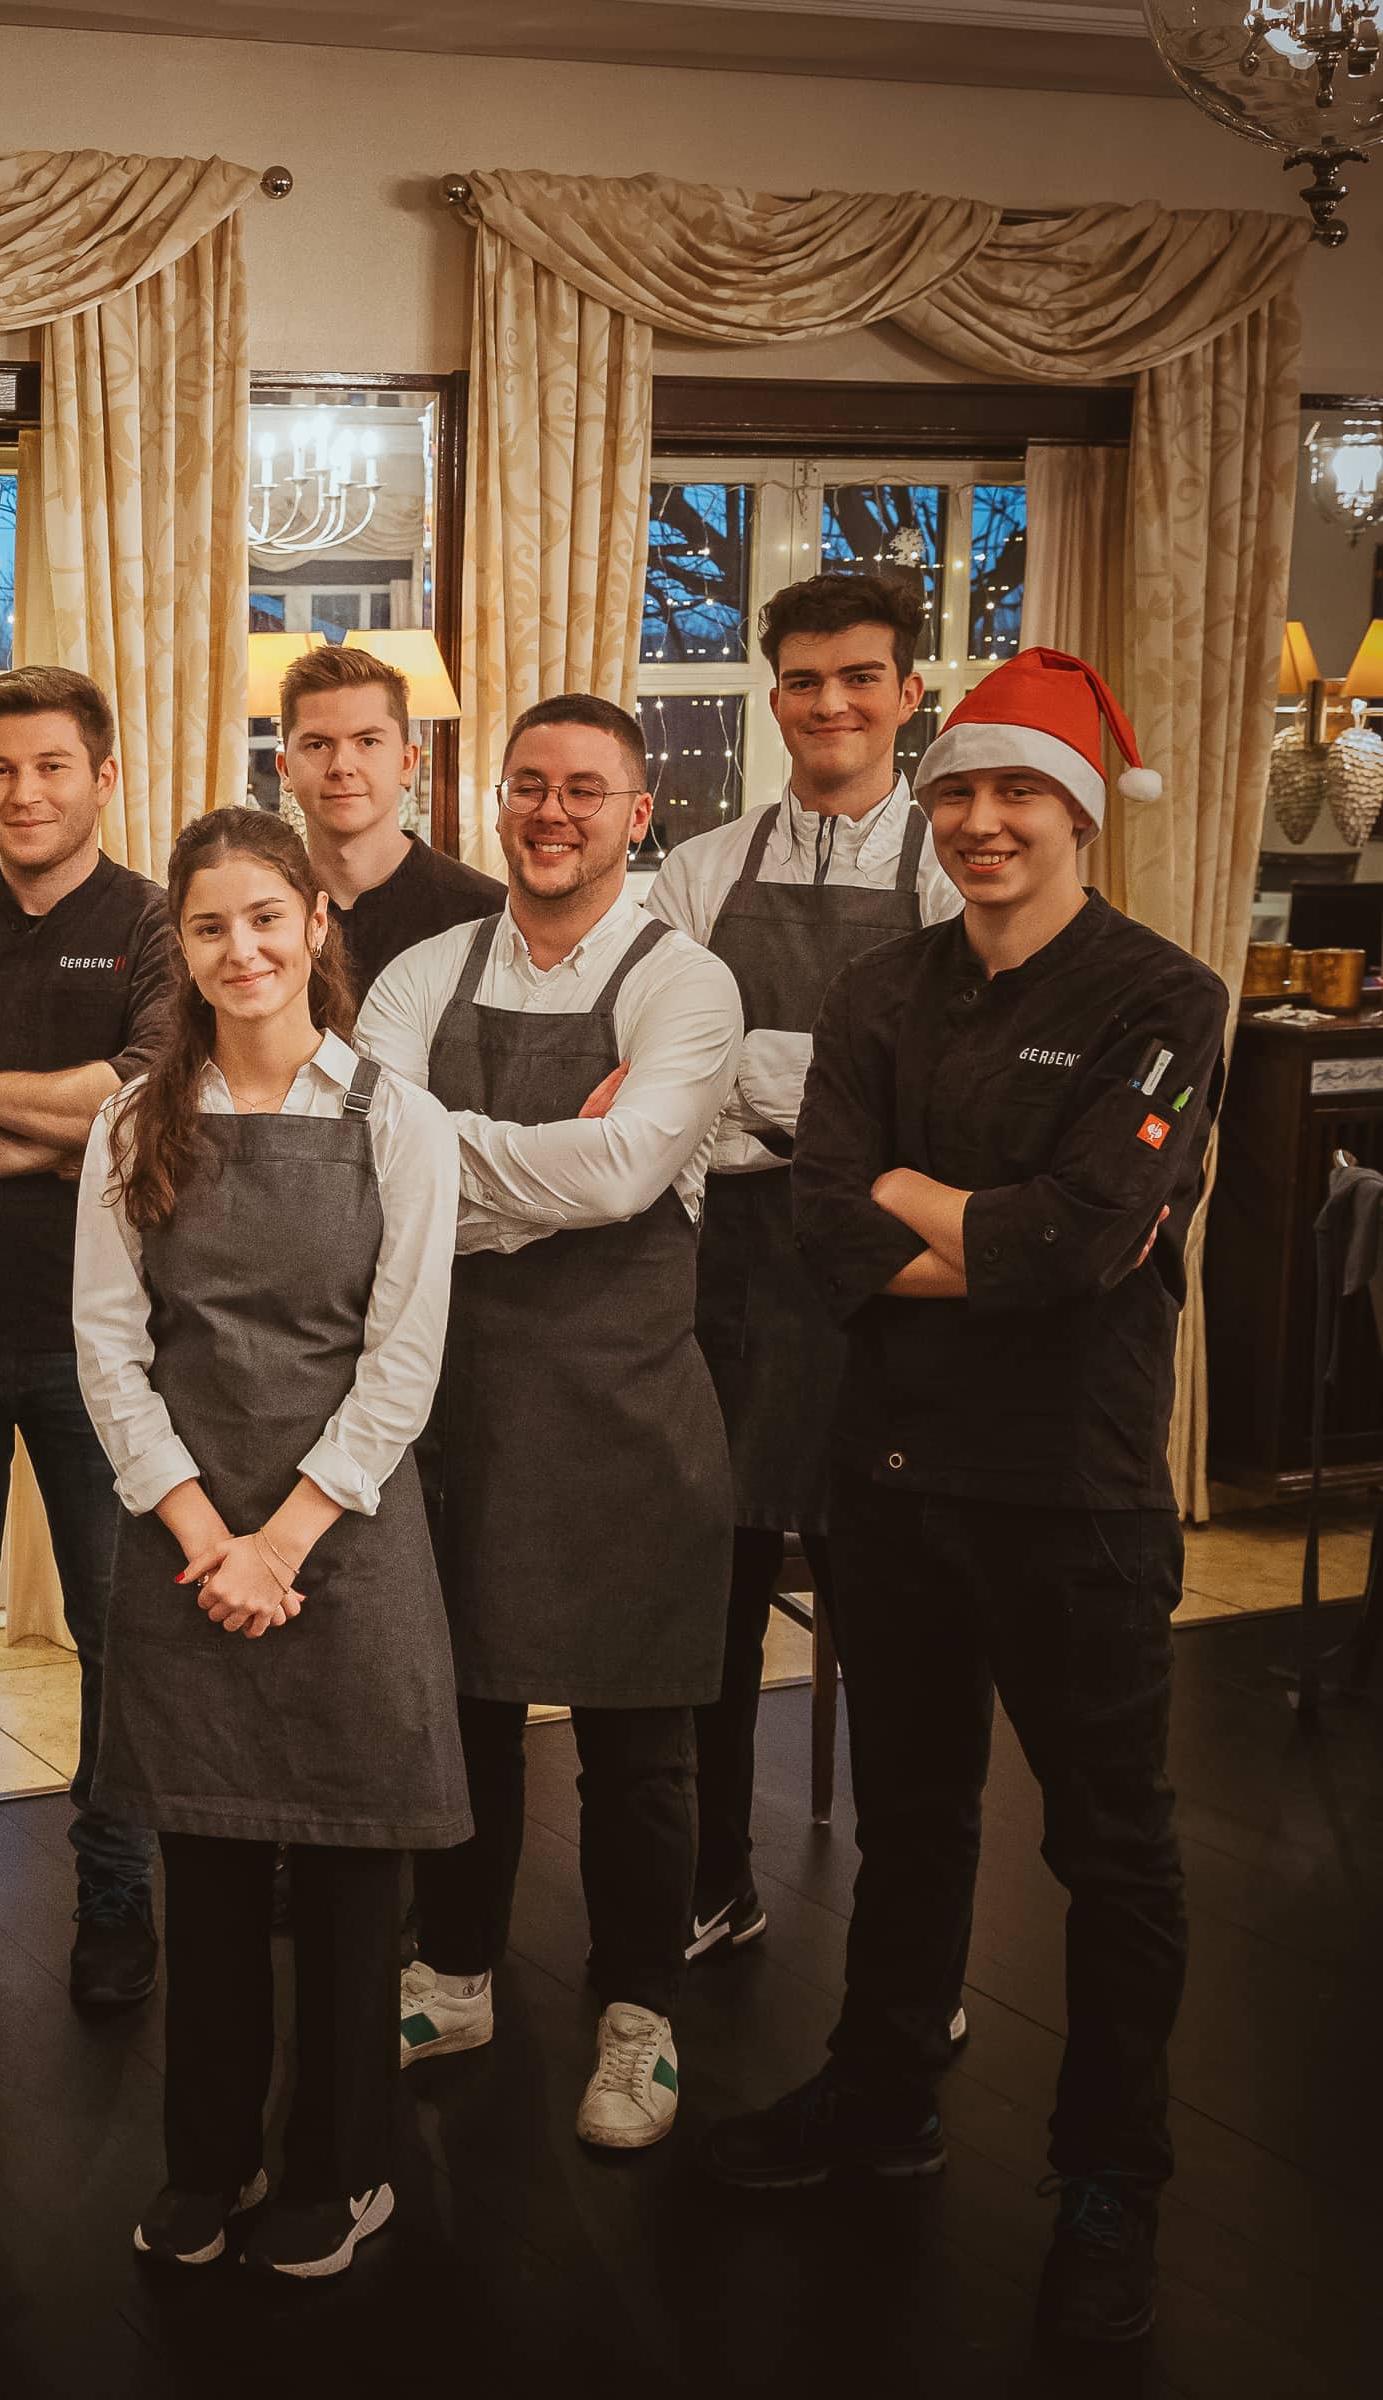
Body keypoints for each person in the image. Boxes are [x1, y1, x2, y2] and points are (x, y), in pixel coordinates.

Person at [703, 651, 1227, 2351]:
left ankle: (1110, 2181)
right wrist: (984, 1226)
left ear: (1079, 814)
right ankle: (882, 2098)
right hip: (891, 1473)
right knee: (914, 1818)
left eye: (1020, 794)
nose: (985, 822)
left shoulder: (1164, 998)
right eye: (963, 794)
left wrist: (921, 1198)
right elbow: (823, 1227)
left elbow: (1081, 1246)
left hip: (1071, 1490)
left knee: (1112, 1850)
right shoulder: (882, 989)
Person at [76, 806, 467, 2278]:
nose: (240, 950)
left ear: (315, 924)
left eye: (263, 918)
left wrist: (283, 1540)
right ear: (179, 949)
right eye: (207, 927)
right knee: (214, 1866)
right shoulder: (133, 1123)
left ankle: (345, 2168)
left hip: (343, 1534)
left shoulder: (401, 1121)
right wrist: (201, 1530)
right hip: (187, 1537)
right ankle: (211, 2160)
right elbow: (109, 1350)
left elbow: (403, 1363)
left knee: (358, 1878)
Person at [355, 693, 741, 2151]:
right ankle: (454, 1975)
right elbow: (364, 1162)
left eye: (585, 789)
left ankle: (640, 2014)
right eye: (529, 784)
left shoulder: (684, 983)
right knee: (463, 1717)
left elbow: (629, 1173)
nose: (551, 811)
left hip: (626, 1418)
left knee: (641, 1749)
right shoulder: (425, 970)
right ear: (494, 801)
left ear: (637, 815)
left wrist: (451, 1172)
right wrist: (547, 1170)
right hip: (451, 1414)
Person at [644, 572, 962, 1965]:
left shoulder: (954, 868)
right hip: (722, 1292)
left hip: (888, 1306)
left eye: (860, 677)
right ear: (774, 696)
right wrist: (839, 1095)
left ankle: (913, 1959)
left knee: (898, 1640)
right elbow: (667, 1078)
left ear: (908, 694)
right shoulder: (701, 869)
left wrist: (763, 1089)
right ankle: (714, 1883)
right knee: (704, 1620)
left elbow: (951, 1098)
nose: (832, 703)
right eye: (805, 680)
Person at [0, 664, 181, 2007]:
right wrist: (58, 1134)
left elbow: (142, 1099)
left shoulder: (156, 922)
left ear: (104, 778)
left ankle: (117, 1894)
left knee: (120, 1636)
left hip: (103, 1346)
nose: (22, 794)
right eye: (1, 770)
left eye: (52, 767)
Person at [275, 640, 503, 1008]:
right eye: (318, 745)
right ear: (284, 768)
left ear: (407, 762)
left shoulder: (487, 916)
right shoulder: (258, 920)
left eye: (367, 741)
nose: (341, 766)